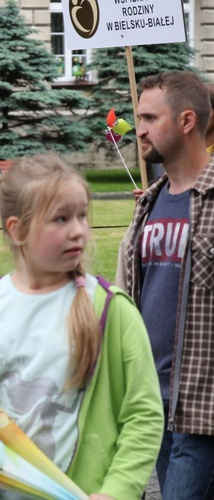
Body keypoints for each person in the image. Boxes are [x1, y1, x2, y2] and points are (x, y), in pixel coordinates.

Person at [0, 154, 164, 499]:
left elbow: (143, 414)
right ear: (17, 229)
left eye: (82, 215)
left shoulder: (110, 308)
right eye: (61, 219)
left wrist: (117, 491)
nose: (78, 230)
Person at [122, 71, 214, 499]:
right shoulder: (150, 202)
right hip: (153, 400)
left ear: (187, 121)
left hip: (203, 406)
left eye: (149, 118)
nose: (138, 129)